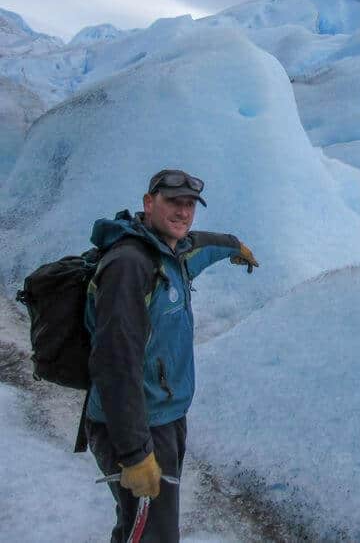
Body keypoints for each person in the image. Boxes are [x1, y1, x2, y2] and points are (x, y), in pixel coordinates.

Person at [84, 168, 258, 541]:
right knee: (152, 536)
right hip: (135, 425)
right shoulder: (131, 266)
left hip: (163, 416)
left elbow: (198, 246)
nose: (183, 212)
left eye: (190, 204)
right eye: (173, 203)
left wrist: (233, 245)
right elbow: (115, 363)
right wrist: (133, 452)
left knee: (143, 528)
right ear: (149, 203)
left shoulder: (169, 253)